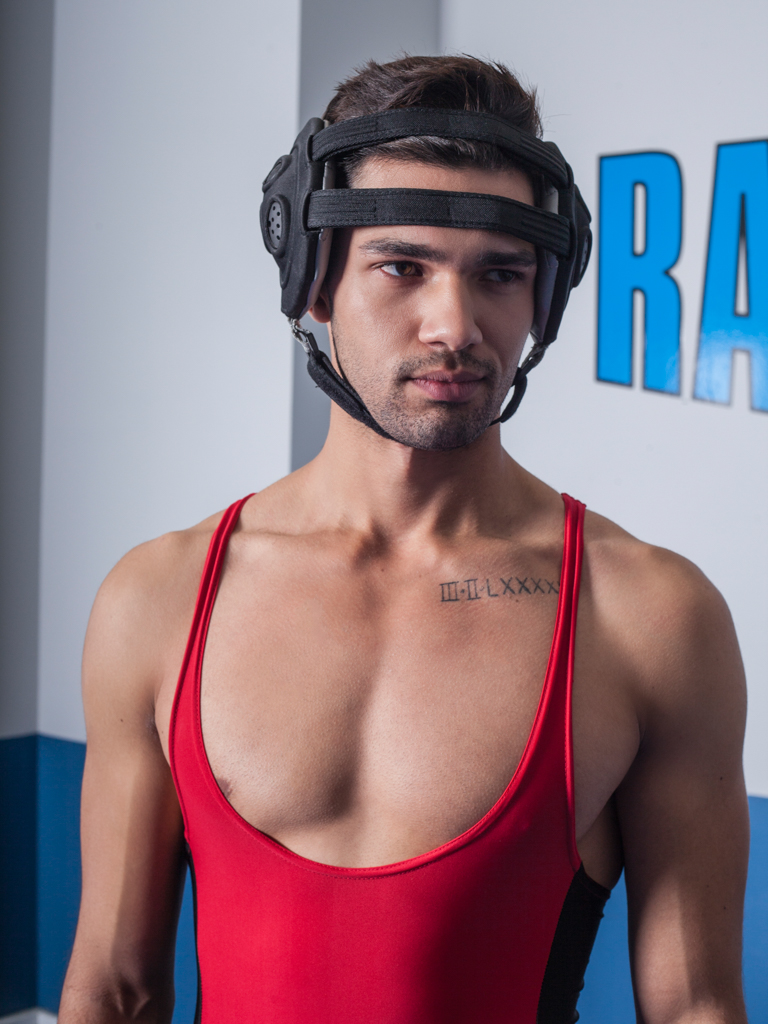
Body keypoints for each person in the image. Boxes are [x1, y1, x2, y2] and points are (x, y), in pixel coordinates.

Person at [59, 56, 749, 1024]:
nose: (453, 326)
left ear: (543, 298)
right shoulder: (159, 598)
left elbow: (695, 1007)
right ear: (313, 282)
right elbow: (115, 990)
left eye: (500, 274)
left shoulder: (650, 615)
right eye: (402, 267)